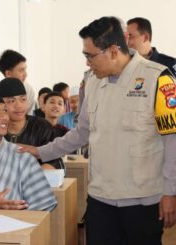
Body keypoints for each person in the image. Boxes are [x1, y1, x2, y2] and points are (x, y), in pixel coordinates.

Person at [19, 16, 176, 244]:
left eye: (89, 55)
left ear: (113, 51)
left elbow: (171, 140)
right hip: (101, 198)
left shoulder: (158, 78)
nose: (86, 62)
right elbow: (81, 132)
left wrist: (170, 191)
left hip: (143, 200)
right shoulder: (92, 82)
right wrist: (40, 152)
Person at [0, 78, 64, 170]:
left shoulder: (42, 127)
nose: (19, 105)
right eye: (11, 101)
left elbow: (55, 161)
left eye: (23, 99)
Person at [0, 49, 36, 115]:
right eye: (21, 70)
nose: (25, 75)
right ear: (8, 74)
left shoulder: (28, 89)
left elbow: (29, 116)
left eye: (23, 99)